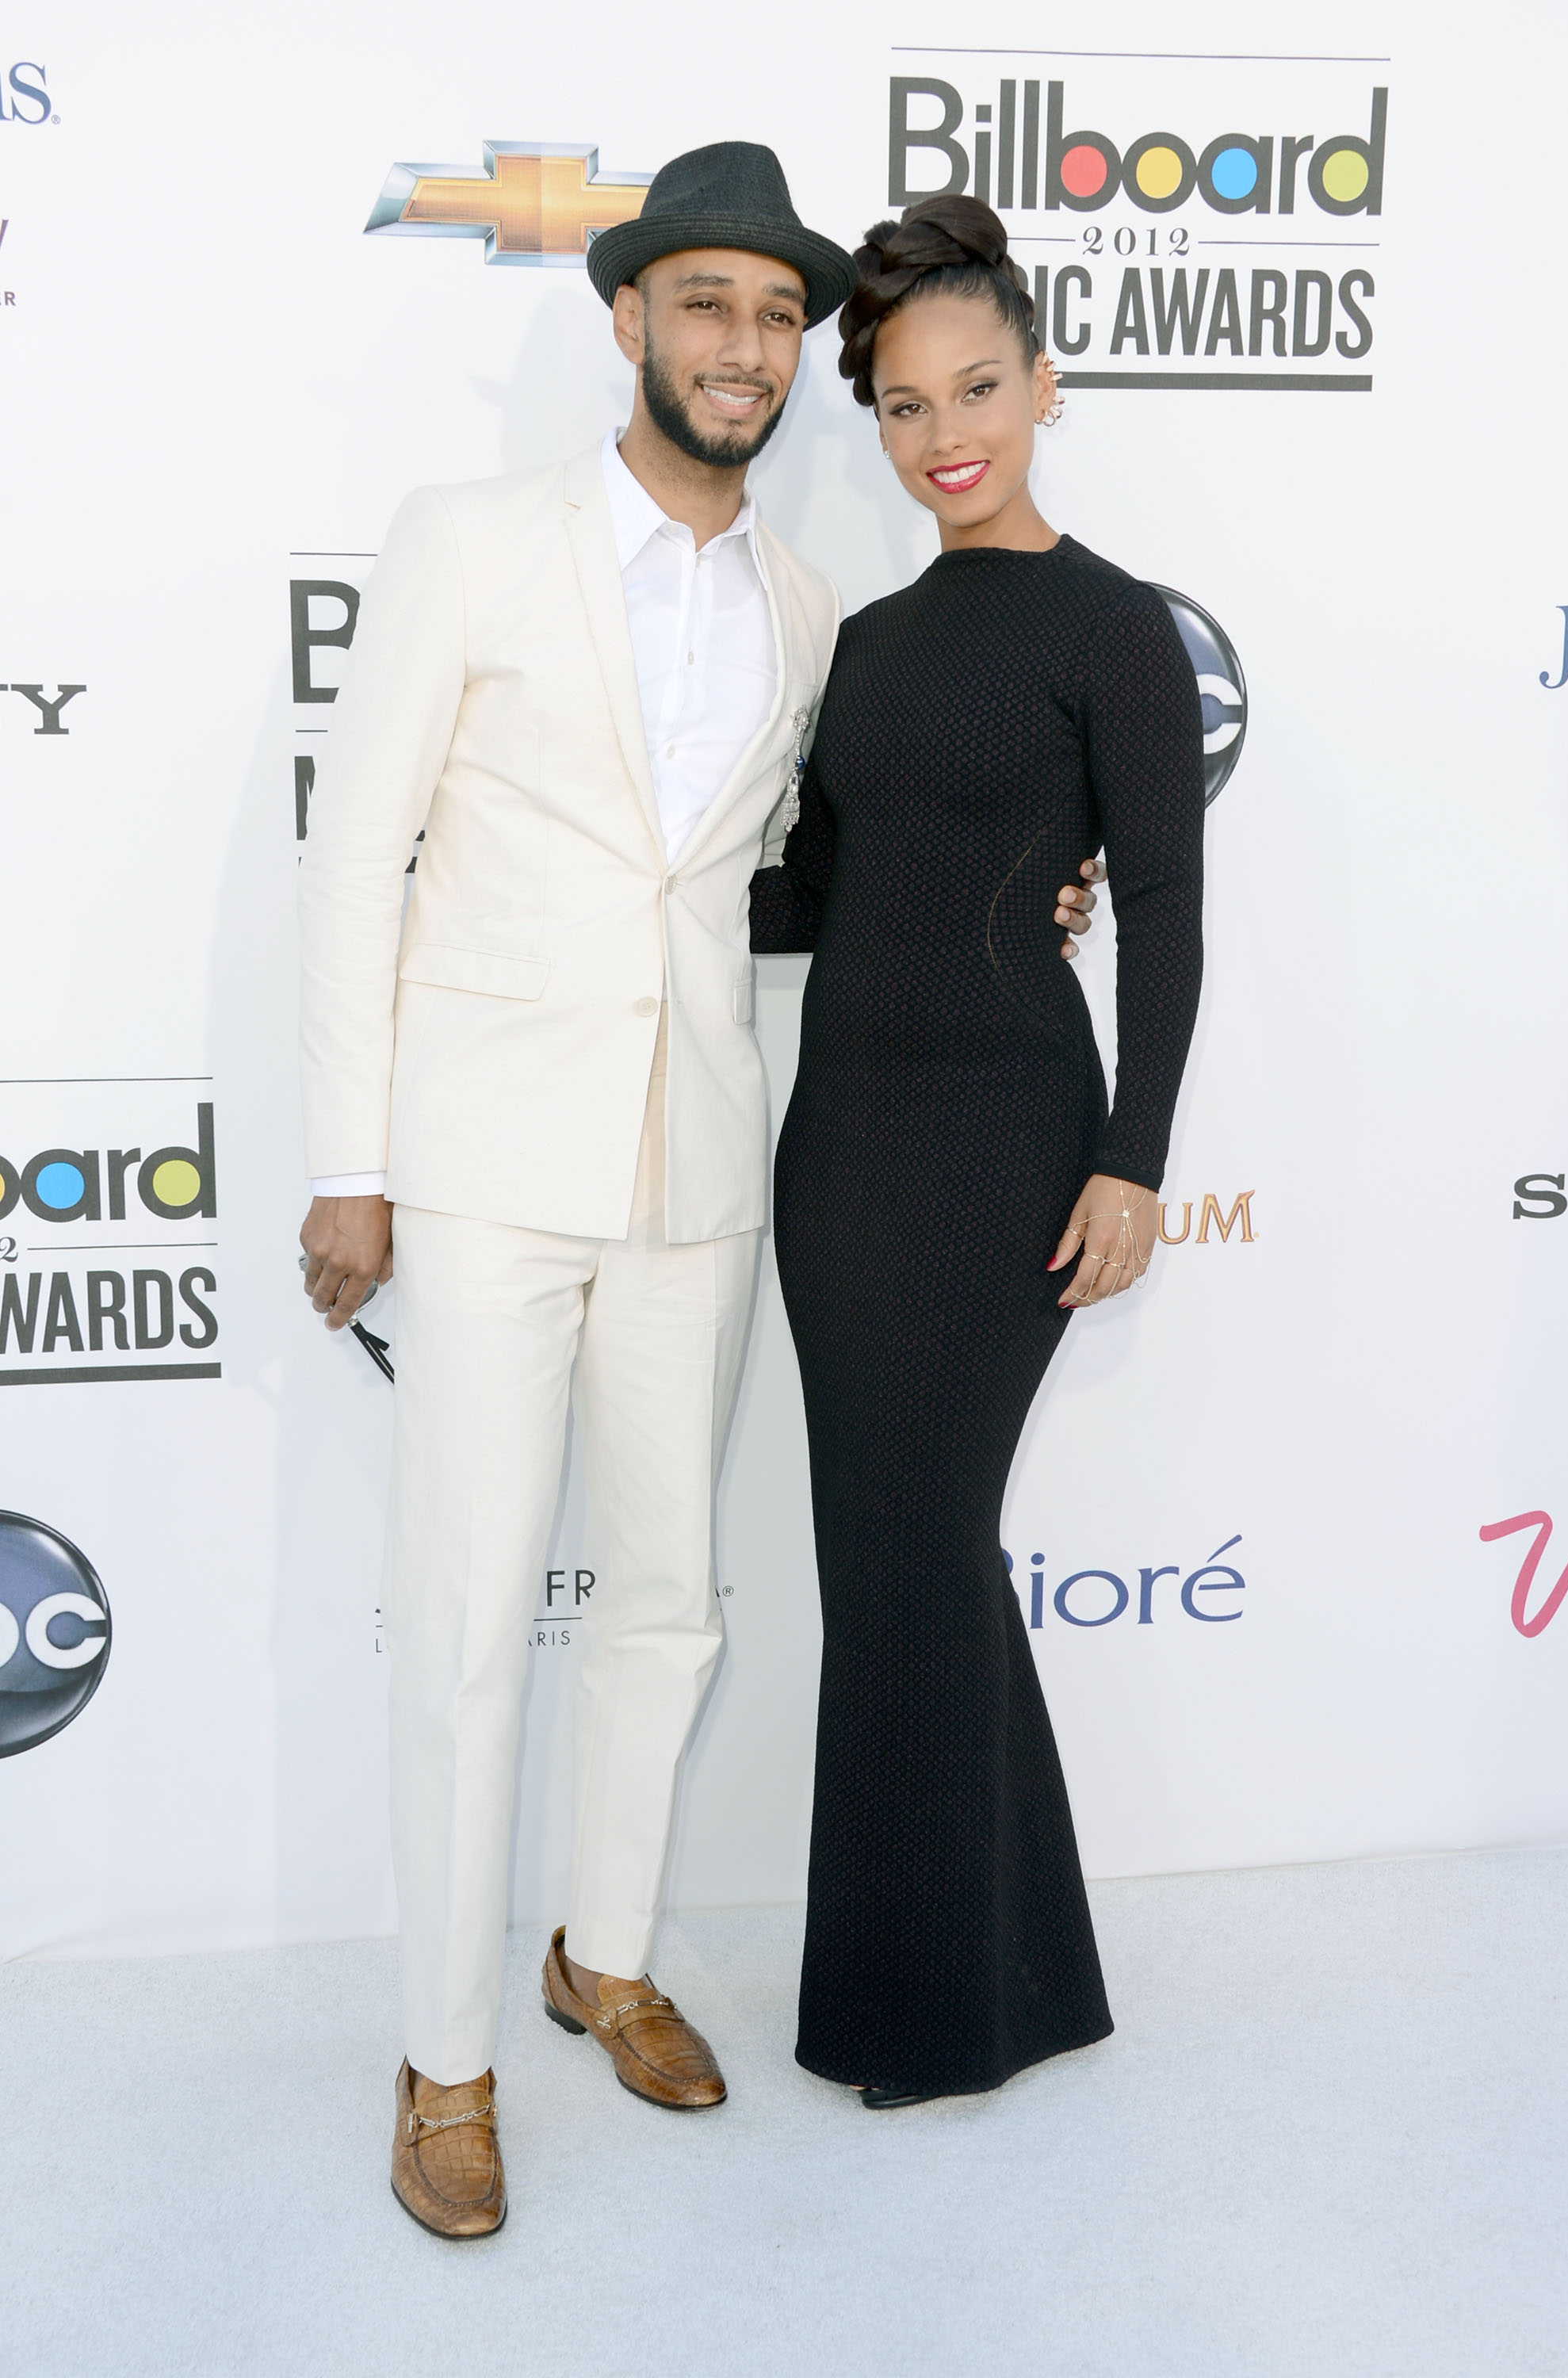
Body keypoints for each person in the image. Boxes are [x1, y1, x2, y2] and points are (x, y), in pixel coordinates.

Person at [298, 138, 1113, 2233]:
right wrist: (349, 1165)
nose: (742, 344)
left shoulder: (813, 609)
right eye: (704, 304)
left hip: (705, 1171)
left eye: (774, 314)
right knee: (468, 1622)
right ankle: (445, 2058)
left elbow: (811, 879)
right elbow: (357, 855)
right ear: (629, 320)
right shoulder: (469, 539)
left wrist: (1028, 884)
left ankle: (607, 1956)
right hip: (479, 1171)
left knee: (666, 1604)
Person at [749, 197, 1206, 2108]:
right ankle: (1007, 1975)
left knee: (924, 1551)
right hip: (838, 1151)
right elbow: (810, 899)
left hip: (1009, 1140)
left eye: (977, 389)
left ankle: (936, 2005)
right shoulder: (865, 643)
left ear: (1042, 384)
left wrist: (1131, 1162)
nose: (944, 434)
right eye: (904, 403)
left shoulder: (1113, 628)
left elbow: (1161, 914)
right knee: (888, 1565)